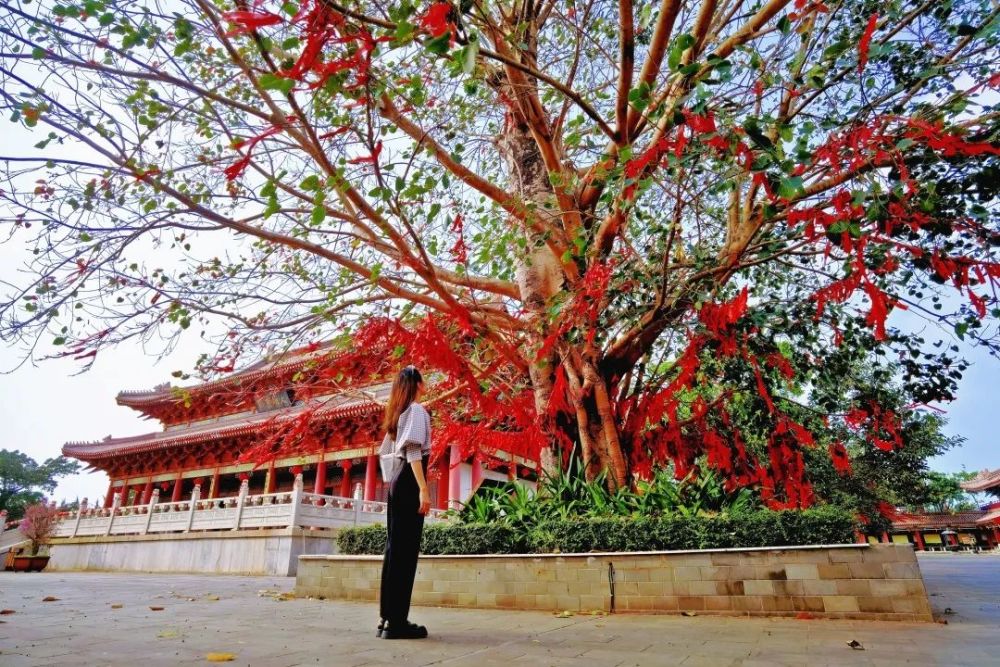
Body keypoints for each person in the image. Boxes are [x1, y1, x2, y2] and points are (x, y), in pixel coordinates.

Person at [376, 365, 432, 640]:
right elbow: (413, 451)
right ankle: (397, 622)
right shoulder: (417, 411)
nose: (427, 381)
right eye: (424, 377)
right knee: (405, 552)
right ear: (417, 384)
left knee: (394, 550)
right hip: (409, 481)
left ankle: (388, 618)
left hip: (397, 481)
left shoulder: (398, 413)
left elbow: (384, 452)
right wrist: (423, 488)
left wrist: (395, 483)